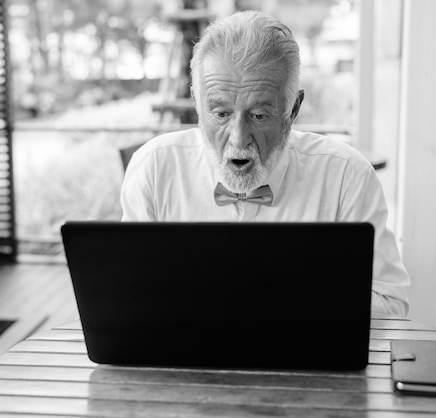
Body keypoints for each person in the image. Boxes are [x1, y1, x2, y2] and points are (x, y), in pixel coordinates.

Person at [120, 10, 410, 317]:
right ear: (196, 103)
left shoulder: (346, 177)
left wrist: (280, 300)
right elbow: (126, 293)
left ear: (293, 109)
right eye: (220, 114)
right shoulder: (152, 168)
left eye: (259, 116)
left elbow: (391, 304)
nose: (238, 139)